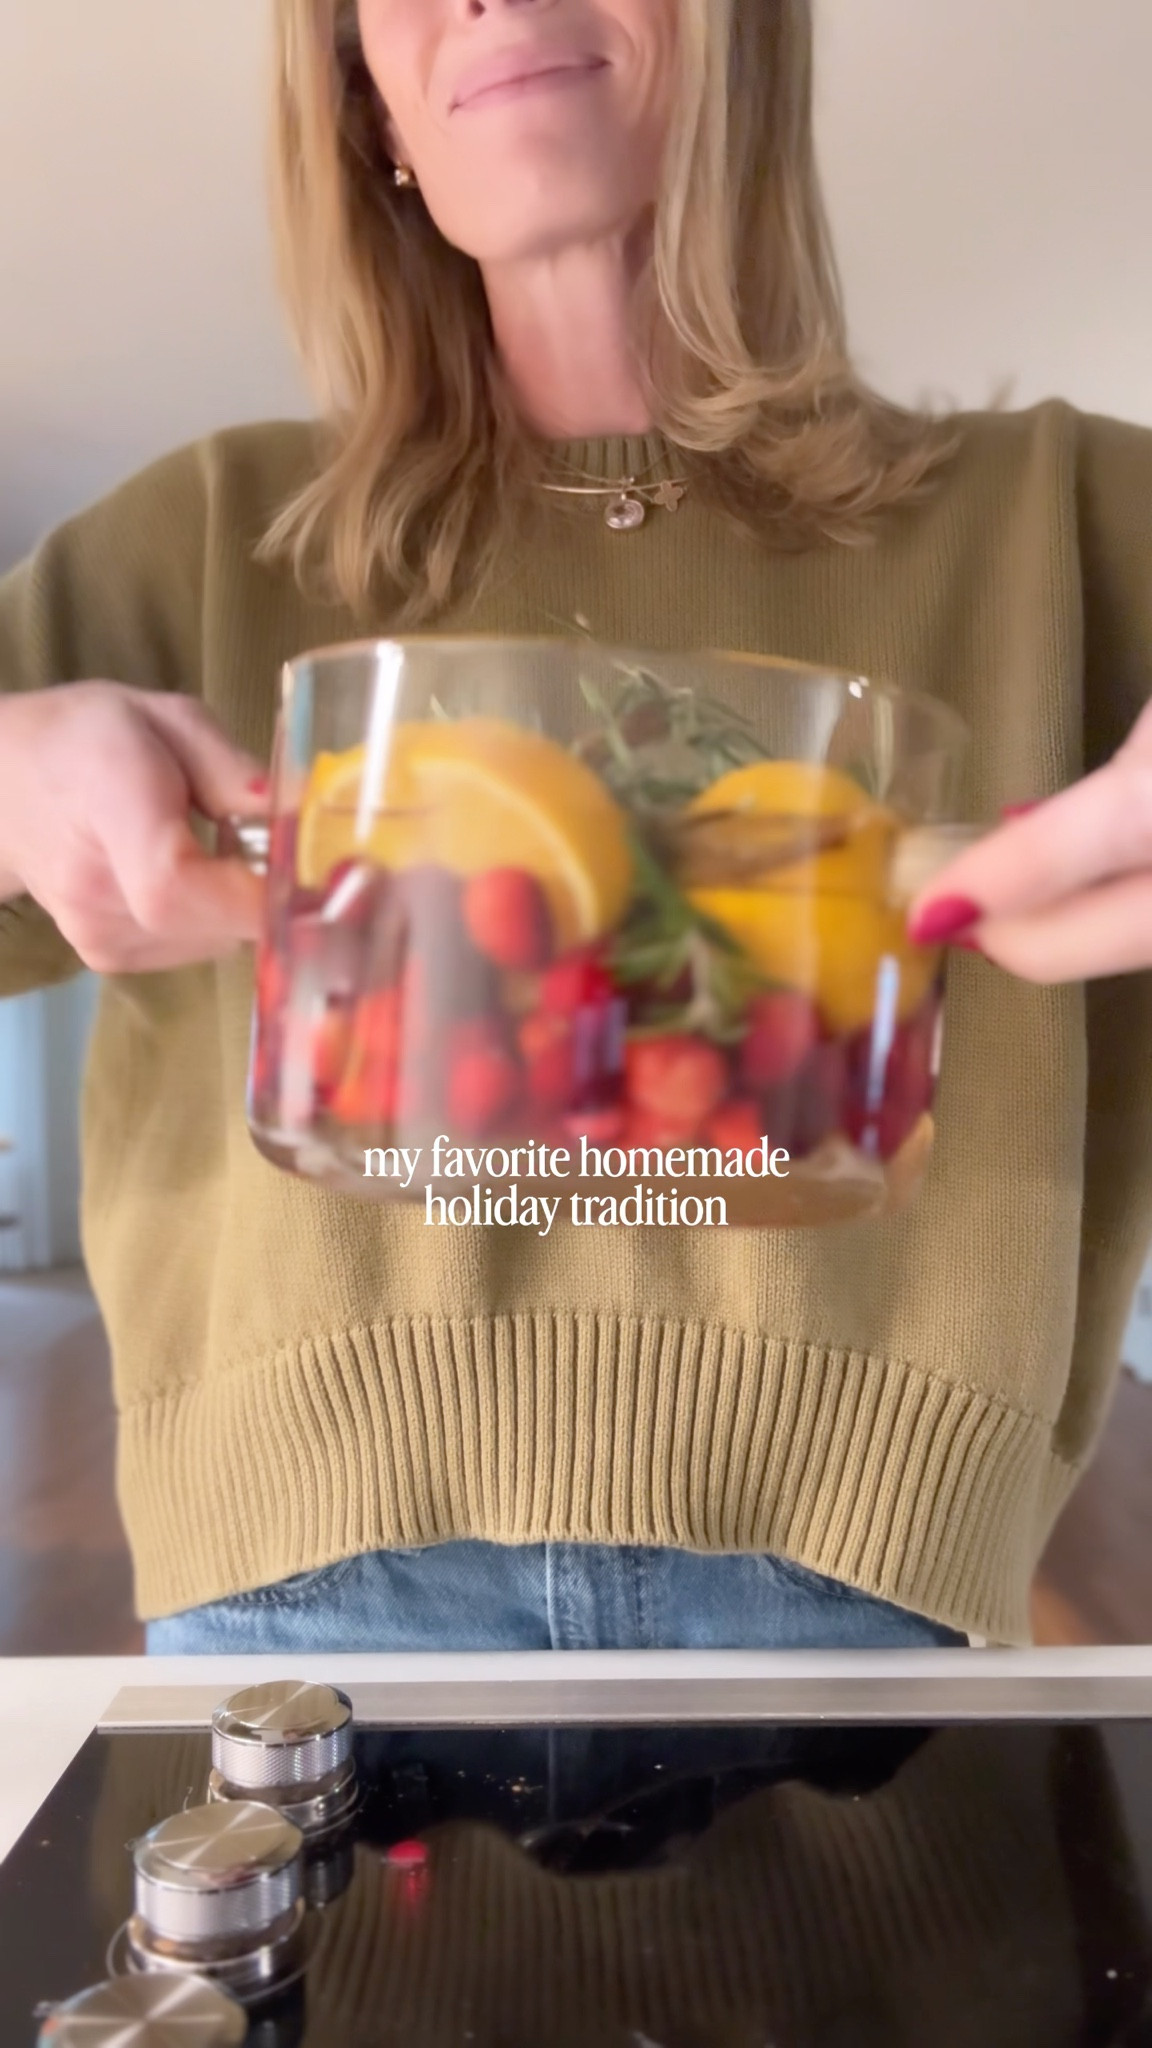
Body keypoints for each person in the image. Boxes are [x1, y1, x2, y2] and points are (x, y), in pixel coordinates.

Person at [0, 0, 1150, 1654]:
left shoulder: (1081, 527)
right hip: (305, 1598)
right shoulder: (186, 545)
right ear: (367, 97)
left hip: (871, 1584)